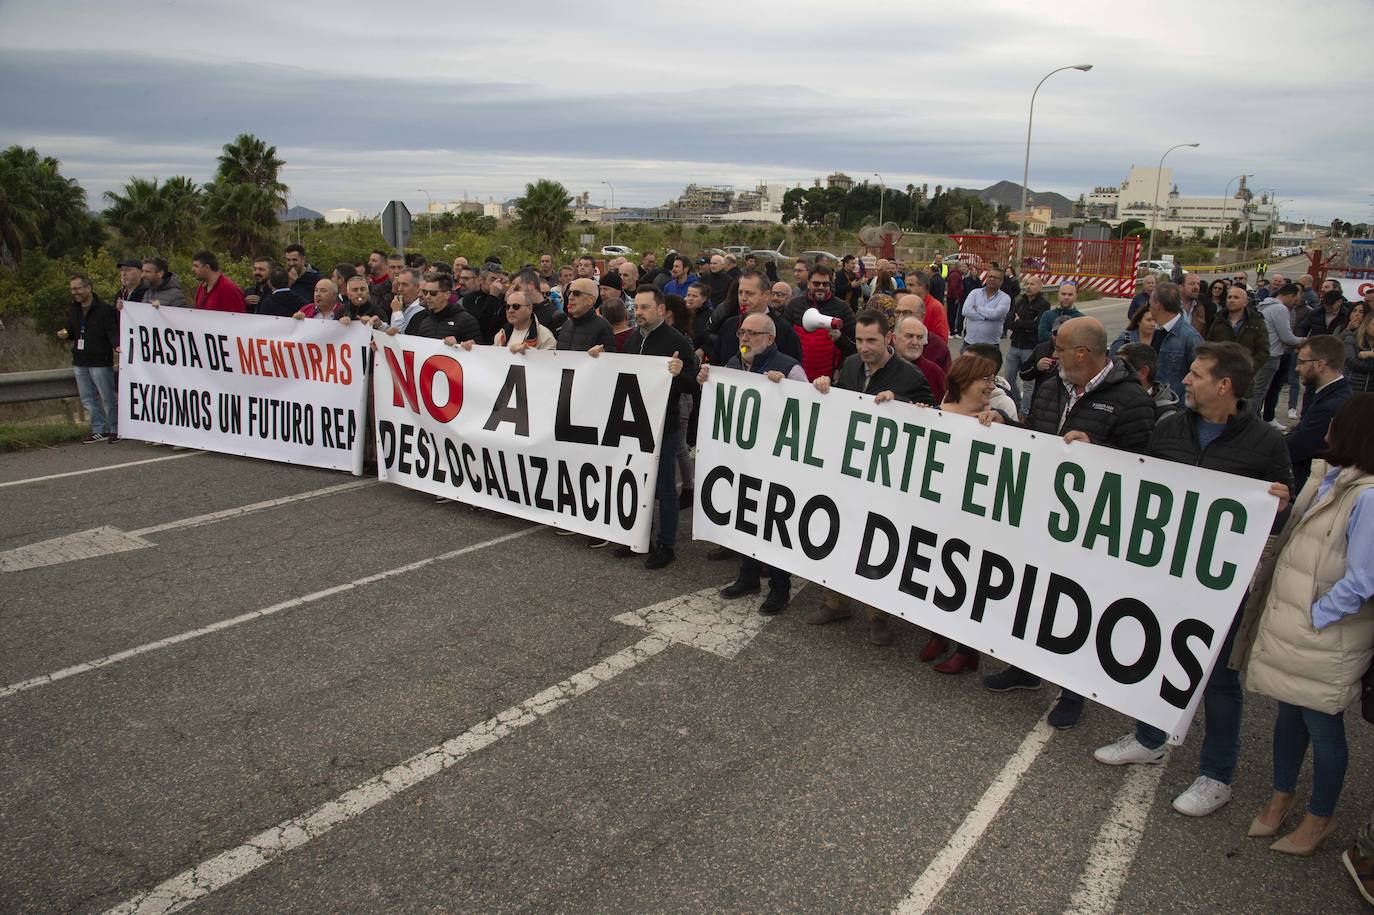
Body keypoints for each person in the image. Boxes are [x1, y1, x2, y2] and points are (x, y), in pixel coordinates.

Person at [1094, 343, 1294, 816]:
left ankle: (1217, 775)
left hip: (1222, 587)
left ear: (1224, 385)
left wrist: (1279, 505)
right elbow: (1139, 481)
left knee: (1220, 680)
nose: (1185, 379)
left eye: (1196, 374)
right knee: (1155, 652)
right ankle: (1149, 737)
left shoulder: (1266, 442)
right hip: (1165, 573)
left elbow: (1283, 518)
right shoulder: (1169, 426)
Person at [984, 316, 1155, 728]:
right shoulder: (1051, 386)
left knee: (1075, 606)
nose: (1051, 355)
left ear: (1083, 353)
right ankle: (1024, 667)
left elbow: (1146, 467)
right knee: (1029, 592)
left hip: (1088, 524)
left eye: (1059, 348)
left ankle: (1072, 690)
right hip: (1039, 513)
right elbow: (1035, 437)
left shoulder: (1131, 401)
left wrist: (1098, 449)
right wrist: (1005, 427)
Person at [1238, 395, 1374, 859]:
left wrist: (1317, 616)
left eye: (1335, 423)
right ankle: (1281, 797)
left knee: (1323, 726)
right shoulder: (1327, 480)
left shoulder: (1368, 497)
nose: (1325, 427)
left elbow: (1363, 580)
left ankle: (1320, 816)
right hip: (1297, 626)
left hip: (1324, 635)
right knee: (1289, 715)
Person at [808, 309, 934, 643]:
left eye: (871, 341)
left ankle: (877, 615)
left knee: (874, 542)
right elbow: (839, 400)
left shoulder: (909, 377)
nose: (864, 347)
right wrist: (824, 386)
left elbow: (931, 419)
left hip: (884, 478)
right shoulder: (850, 365)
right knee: (837, 532)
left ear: (888, 338)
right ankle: (835, 601)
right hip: (847, 470)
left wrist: (903, 404)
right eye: (860, 340)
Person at [705, 311, 808, 615]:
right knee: (746, 516)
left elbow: (808, 411)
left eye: (752, 334)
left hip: (776, 462)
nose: (745, 338)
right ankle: (748, 576)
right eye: (741, 333)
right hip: (743, 458)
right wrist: (707, 382)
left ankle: (779, 587)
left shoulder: (789, 368)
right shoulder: (734, 365)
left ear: (770, 339)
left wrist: (786, 389)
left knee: (773, 524)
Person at [919, 350, 1005, 673]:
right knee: (933, 572)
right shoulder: (938, 411)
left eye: (992, 378)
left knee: (965, 580)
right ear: (964, 379)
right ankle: (937, 635)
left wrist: (1002, 421)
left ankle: (967, 651)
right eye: (985, 378)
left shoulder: (995, 415)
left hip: (974, 516)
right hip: (938, 509)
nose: (990, 385)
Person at [616, 286, 697, 570]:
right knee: (638, 482)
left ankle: (667, 544)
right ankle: (639, 537)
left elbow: (693, 382)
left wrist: (678, 373)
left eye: (645, 307)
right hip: (635, 425)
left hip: (665, 425)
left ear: (661, 310)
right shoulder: (631, 340)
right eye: (636, 307)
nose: (638, 313)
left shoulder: (677, 341)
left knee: (664, 488)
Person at [59, 274, 120, 443]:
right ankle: (98, 429)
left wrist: (117, 345)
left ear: (88, 288)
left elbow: (111, 331)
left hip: (100, 360)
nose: (74, 292)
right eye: (72, 289)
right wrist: (65, 333)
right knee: (87, 398)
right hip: (80, 360)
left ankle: (115, 429)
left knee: (107, 397)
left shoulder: (105, 309)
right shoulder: (73, 309)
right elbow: (72, 330)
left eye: (77, 288)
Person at [1287, 335, 1353, 484]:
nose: (1297, 368)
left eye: (1301, 362)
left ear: (1320, 365)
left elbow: (1297, 447)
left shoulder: (1331, 405)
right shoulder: (1331, 393)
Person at [713, 270, 803, 368]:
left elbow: (793, 368)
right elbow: (716, 362)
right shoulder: (729, 324)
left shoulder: (784, 330)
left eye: (749, 293)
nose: (743, 298)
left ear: (766, 296)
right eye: (740, 292)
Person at [784, 263, 856, 381]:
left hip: (827, 379)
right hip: (797, 375)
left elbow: (854, 345)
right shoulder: (794, 305)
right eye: (816, 283)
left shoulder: (842, 308)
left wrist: (840, 339)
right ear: (808, 283)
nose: (821, 287)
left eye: (825, 284)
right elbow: (784, 339)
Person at [1254, 283, 1307, 421]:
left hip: (1262, 353)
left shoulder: (1266, 305)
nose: (1296, 303)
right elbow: (1286, 337)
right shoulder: (1280, 309)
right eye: (1296, 299)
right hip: (1271, 355)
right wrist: (1303, 341)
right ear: (1291, 296)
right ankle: (1250, 423)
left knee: (1257, 391)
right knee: (1259, 392)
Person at [1149, 280, 1204, 399]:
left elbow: (1202, 376)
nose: (1149, 307)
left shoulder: (1190, 337)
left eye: (1150, 303)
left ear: (1157, 304)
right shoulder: (1158, 332)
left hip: (1177, 409)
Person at [1004, 274, 1048, 414]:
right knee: (1009, 379)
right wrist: (1022, 324)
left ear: (1040, 286)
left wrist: (1019, 322)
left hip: (1030, 347)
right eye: (1027, 284)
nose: (1029, 287)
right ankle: (1017, 403)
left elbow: (1037, 326)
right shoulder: (1020, 302)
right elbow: (1008, 322)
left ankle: (1024, 411)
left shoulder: (1043, 304)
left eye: (1032, 284)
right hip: (1015, 344)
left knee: (1028, 383)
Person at [1206, 283, 1270, 370]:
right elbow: (1210, 343)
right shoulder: (1218, 319)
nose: (1231, 300)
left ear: (1245, 302)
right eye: (1229, 297)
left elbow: (1263, 351)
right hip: (1220, 371)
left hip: (1244, 373)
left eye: (1236, 297)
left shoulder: (1256, 321)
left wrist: (1250, 368)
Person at [1115, 342, 1182, 421]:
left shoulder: (1167, 418)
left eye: (1121, 368)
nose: (1114, 374)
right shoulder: (1113, 400)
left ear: (1143, 372)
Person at [895, 315, 946, 403]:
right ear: (894, 338)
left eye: (919, 337)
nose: (915, 342)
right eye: (909, 336)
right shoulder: (883, 365)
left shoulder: (934, 372)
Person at [959, 266, 1010, 352]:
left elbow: (996, 314)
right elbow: (965, 311)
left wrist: (978, 308)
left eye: (996, 277)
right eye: (990, 276)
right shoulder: (975, 293)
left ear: (1001, 281)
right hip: (969, 343)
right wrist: (986, 317)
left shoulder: (1005, 298)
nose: (992, 279)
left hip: (990, 346)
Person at [1346, 308, 1374, 394]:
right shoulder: (1351, 340)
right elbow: (1352, 363)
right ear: (1366, 325)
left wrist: (1368, 354)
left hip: (1370, 394)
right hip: (1351, 389)